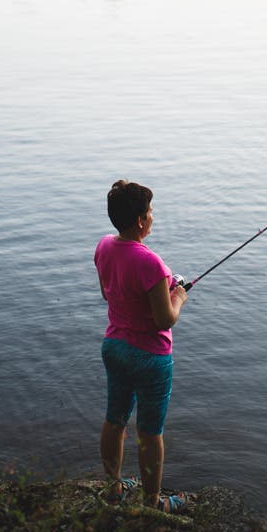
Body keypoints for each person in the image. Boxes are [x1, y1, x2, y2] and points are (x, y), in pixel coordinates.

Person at [95, 179, 189, 512]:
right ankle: (153, 504)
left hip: (114, 348)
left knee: (115, 420)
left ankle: (114, 488)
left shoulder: (104, 246)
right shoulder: (151, 263)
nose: (152, 217)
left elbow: (109, 293)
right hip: (150, 357)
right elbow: (164, 320)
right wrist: (178, 296)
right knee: (150, 433)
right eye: (149, 212)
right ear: (139, 220)